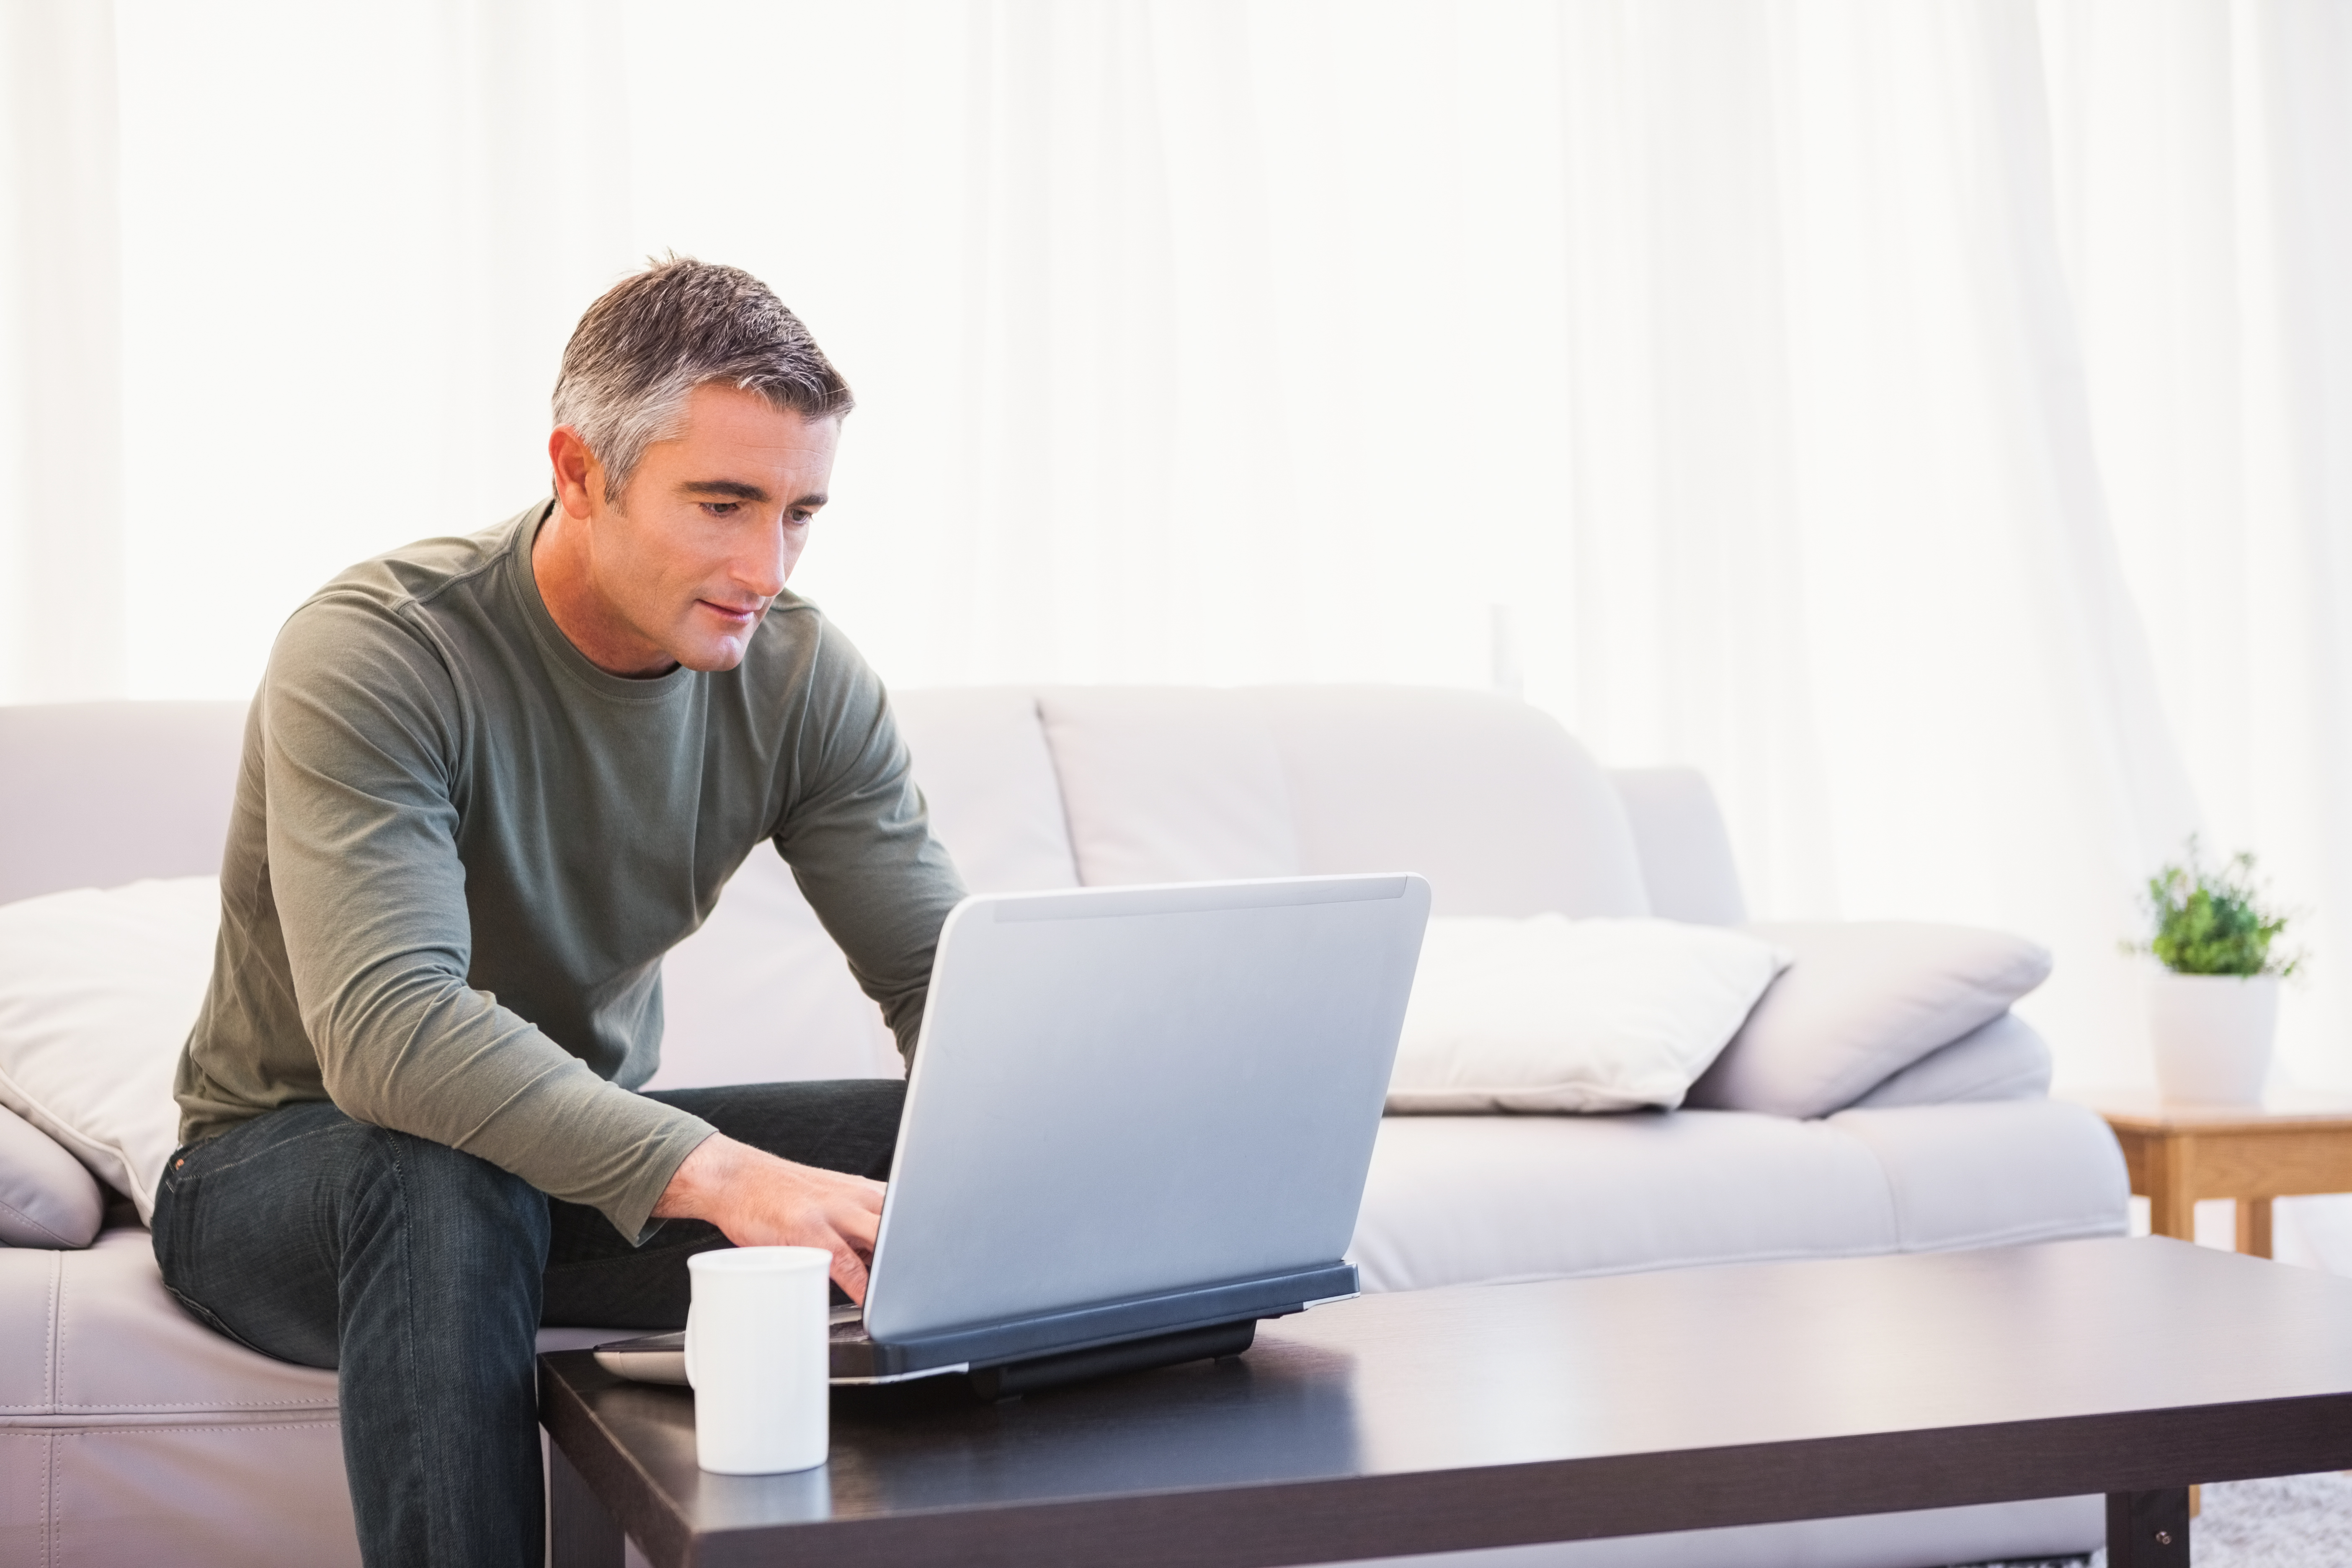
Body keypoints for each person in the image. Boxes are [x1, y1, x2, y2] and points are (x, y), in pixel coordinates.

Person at [151, 258, 964, 1566]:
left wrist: (1015, 1141)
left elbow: (944, 983)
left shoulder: (801, 676)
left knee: (960, 1145)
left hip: (553, 1177)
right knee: (438, 1157)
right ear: (581, 473)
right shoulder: (380, 651)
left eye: (801, 512)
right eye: (722, 503)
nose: (766, 564)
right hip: (285, 1176)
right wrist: (728, 1179)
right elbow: (394, 1037)